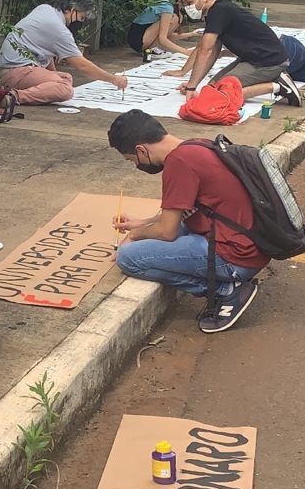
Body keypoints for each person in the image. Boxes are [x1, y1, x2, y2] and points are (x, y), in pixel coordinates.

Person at [107, 109, 267, 333]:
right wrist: (142, 223)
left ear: (141, 150)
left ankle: (225, 289)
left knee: (128, 257)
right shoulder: (196, 145)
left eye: (132, 160)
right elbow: (186, 211)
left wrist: (134, 235)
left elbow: (167, 232)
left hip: (235, 257)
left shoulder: (178, 164)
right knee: (170, 232)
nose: (136, 166)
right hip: (249, 244)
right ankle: (227, 284)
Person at [166, 0, 304, 107]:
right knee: (211, 88)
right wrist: (192, 84)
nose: (187, 8)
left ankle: (279, 86)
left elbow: (205, 51)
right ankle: (273, 80)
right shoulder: (216, 10)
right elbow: (212, 51)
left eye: (189, 3)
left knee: (218, 94)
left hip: (269, 61)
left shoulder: (218, 12)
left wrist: (191, 86)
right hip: (253, 59)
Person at [0, 0, 128, 104]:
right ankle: (13, 97)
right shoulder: (59, 30)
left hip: (11, 69)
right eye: (82, 18)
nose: (81, 22)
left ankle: (16, 91)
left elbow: (46, 51)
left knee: (65, 78)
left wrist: (52, 74)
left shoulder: (44, 9)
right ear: (72, 10)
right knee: (65, 89)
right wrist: (114, 79)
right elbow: (82, 65)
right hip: (16, 71)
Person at [126, 0, 198, 59]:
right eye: (188, 3)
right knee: (174, 19)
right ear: (179, 1)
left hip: (144, 37)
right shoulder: (167, 9)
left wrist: (192, 34)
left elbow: (168, 36)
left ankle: (150, 51)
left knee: (176, 19)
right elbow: (162, 39)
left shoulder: (177, 14)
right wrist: (186, 52)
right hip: (137, 39)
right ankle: (151, 50)